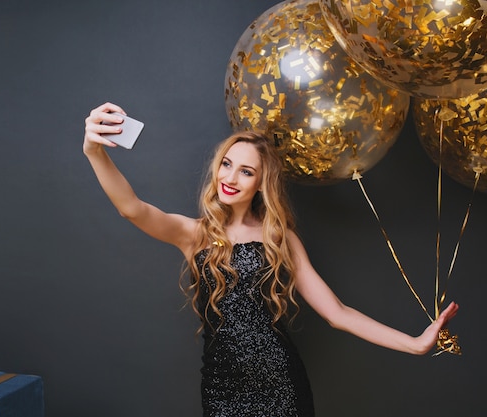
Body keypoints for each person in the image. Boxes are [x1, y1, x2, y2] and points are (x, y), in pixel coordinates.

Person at [83, 102, 459, 417]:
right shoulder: (195, 235)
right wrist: (94, 151)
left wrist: (413, 343)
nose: (231, 177)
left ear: (260, 183)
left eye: (246, 171)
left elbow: (337, 313)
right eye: (227, 164)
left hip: (281, 386)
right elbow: (131, 209)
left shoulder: (279, 240)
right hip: (221, 389)